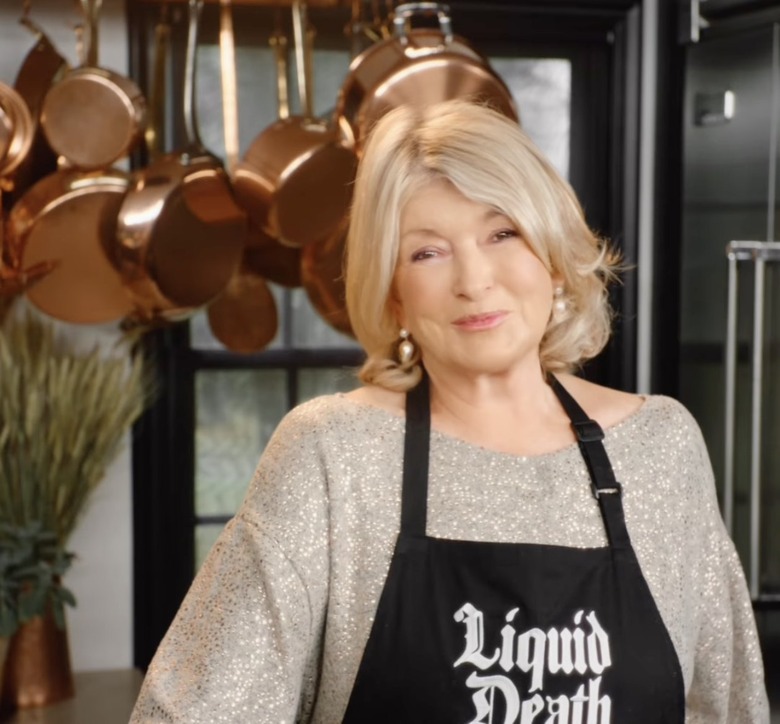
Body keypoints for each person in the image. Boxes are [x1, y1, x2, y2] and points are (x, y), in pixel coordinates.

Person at [130, 99, 769, 723]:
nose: (474, 280)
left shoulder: (658, 445)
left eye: (502, 233)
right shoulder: (333, 453)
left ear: (551, 258)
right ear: (395, 295)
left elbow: (726, 705)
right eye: (427, 252)